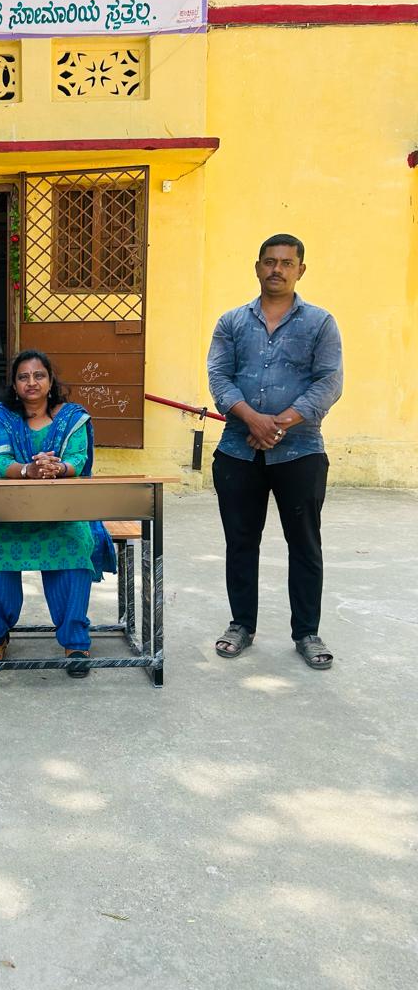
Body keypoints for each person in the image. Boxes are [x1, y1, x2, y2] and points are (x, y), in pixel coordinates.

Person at [207, 234, 343, 669]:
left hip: (300, 451)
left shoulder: (320, 323)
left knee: (304, 543)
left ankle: (307, 632)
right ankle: (241, 625)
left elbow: (329, 382)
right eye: (269, 262)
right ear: (257, 266)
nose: (277, 270)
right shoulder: (231, 322)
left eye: (286, 262)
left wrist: (278, 423)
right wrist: (253, 419)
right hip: (237, 451)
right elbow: (219, 378)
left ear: (301, 269)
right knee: (241, 541)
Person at [0, 349, 117, 678]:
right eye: (23, 377)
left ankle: (75, 640)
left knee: (74, 546)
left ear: (51, 381)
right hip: (11, 513)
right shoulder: (0, 417)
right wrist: (28, 471)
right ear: (13, 384)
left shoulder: (72, 417)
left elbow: (79, 458)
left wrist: (57, 467)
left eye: (39, 375)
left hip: (62, 511)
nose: (32, 382)